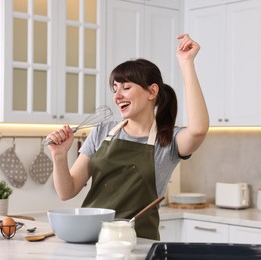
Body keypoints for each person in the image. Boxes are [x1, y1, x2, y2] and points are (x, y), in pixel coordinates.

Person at [46, 34, 209, 240]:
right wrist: (59, 156)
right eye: (115, 89)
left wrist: (186, 63)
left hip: (137, 243)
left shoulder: (168, 141)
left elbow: (199, 130)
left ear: (152, 92)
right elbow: (66, 191)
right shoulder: (102, 131)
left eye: (126, 87)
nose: (117, 96)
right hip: (91, 239)